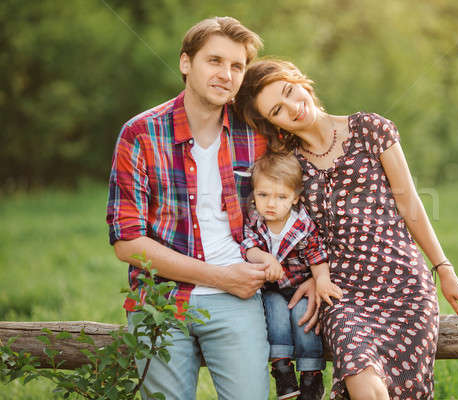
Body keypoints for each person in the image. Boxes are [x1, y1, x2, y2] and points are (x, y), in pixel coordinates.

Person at [235, 59, 458, 400]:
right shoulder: (288, 164)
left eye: (289, 92)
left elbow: (410, 204)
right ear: (272, 124)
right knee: (360, 375)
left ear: (301, 83)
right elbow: (292, 230)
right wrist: (316, 274)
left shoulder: (371, 128)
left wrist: (443, 268)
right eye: (278, 110)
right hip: (343, 292)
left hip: (403, 283)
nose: (293, 108)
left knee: (407, 388)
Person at [106, 18, 319, 400]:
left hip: (238, 301)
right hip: (159, 301)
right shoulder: (141, 134)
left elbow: (315, 174)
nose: (226, 74)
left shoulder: (257, 131)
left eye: (237, 66)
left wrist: (319, 273)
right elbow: (128, 242)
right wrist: (221, 277)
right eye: (214, 61)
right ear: (186, 63)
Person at [241, 152, 343, 400]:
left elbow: (317, 256)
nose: (271, 204)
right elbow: (248, 247)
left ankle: (311, 376)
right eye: (263, 195)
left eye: (281, 196)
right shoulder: (255, 220)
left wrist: (322, 280)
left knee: (303, 319)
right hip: (271, 288)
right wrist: (265, 259)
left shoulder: (302, 225)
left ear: (295, 198)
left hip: (299, 285)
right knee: (275, 315)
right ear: (254, 193)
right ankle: (282, 369)